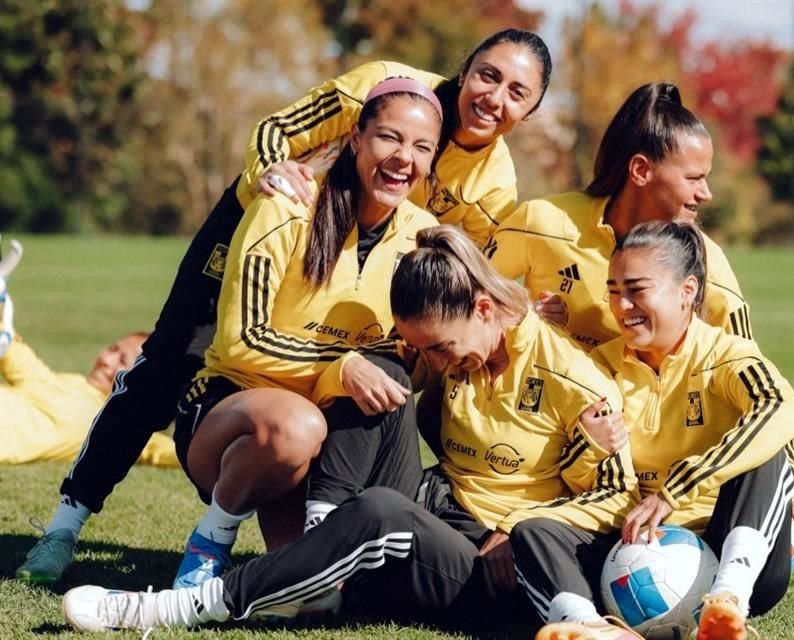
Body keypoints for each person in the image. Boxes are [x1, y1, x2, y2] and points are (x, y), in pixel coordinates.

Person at [16, 27, 552, 585]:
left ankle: (314, 528)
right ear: (466, 69)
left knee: (379, 367)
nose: (495, 97)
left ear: (532, 110)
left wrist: (526, 313)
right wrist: (271, 173)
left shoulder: (495, 188)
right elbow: (277, 130)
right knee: (171, 362)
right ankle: (64, 526)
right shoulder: (377, 86)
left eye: (518, 91)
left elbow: (466, 278)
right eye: (489, 75)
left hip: (369, 262)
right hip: (283, 226)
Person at [61, 225, 636, 634]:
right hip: (439, 505)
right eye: (423, 348)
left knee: (380, 511)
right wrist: (354, 365)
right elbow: (392, 387)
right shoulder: (456, 351)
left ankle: (170, 610)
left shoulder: (575, 380)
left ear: (485, 309)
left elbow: (617, 495)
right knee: (380, 374)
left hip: (488, 558)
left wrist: (518, 528)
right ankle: (321, 542)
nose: (433, 363)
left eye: (440, 348)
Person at [485, 82, 794, 553]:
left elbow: (759, 388)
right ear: (641, 170)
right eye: (694, 177)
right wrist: (525, 322)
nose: (707, 193)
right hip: (554, 449)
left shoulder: (707, 265)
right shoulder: (541, 222)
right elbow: (467, 313)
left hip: (649, 475)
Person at [168, 76, 452, 591]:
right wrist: (338, 365)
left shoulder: (422, 236)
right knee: (298, 424)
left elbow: (413, 355)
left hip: (333, 441)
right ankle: (210, 541)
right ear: (356, 139)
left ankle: (322, 537)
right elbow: (239, 340)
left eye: (421, 147)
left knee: (317, 588)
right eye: (388, 137)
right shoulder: (285, 205)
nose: (402, 157)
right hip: (235, 416)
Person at [525, 222, 794, 640]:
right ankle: (593, 628)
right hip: (632, 545)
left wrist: (674, 491)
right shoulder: (598, 366)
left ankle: (726, 603)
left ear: (687, 291)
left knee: (765, 454)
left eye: (636, 290)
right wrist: (589, 446)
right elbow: (575, 478)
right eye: (614, 290)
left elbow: (780, 409)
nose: (622, 306)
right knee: (534, 531)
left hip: (726, 538)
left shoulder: (726, 354)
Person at [0, 271, 176, 468]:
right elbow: (10, 346)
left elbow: (178, 453)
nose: (107, 361)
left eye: (122, 361)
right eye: (112, 349)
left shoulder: (118, 425)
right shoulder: (63, 381)